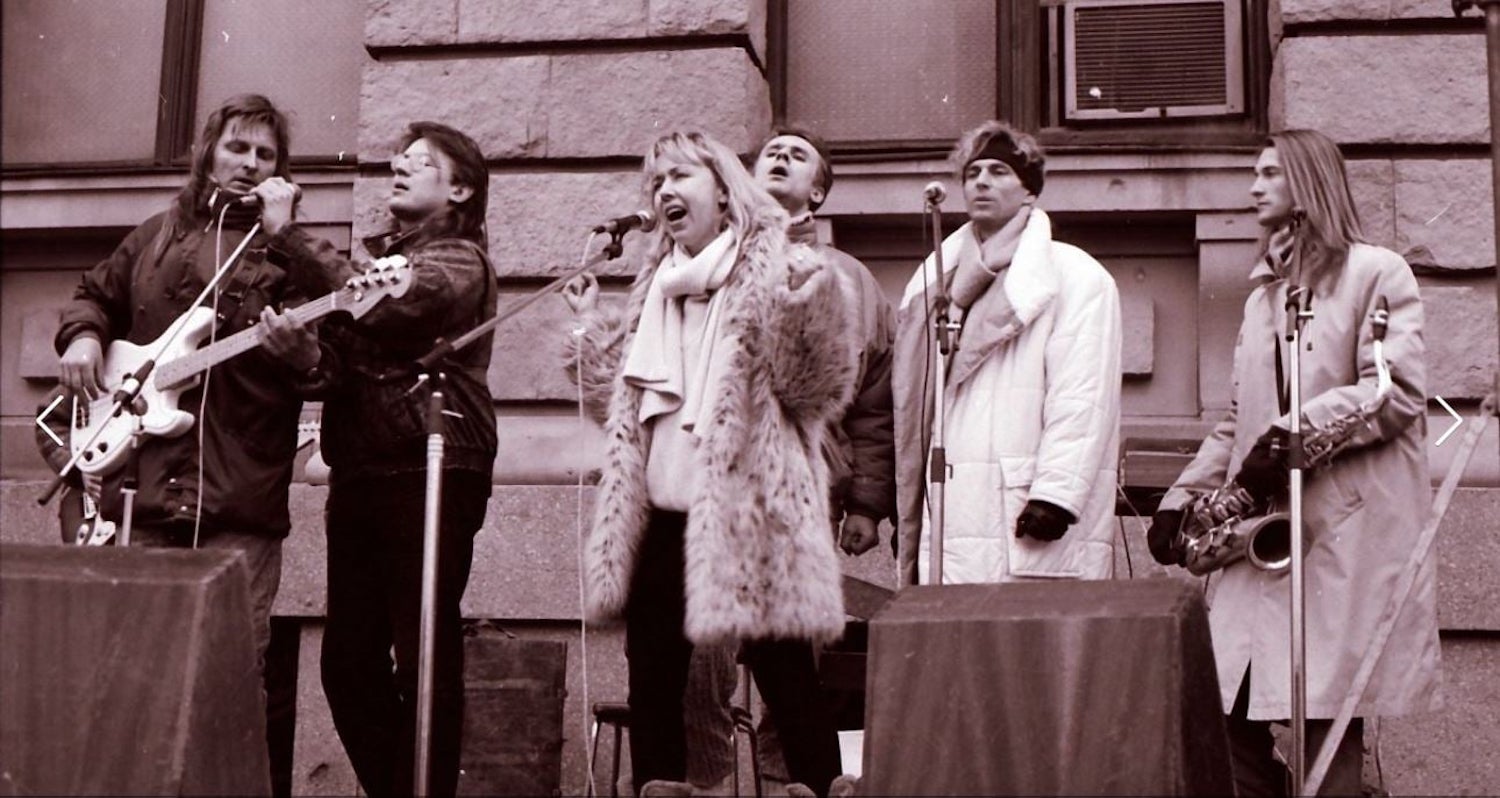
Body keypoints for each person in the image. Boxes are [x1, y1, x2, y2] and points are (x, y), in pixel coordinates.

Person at [562, 128, 857, 798]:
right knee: (655, 676)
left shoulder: (778, 271)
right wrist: (586, 324)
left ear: (724, 193)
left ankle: (823, 787)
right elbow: (619, 405)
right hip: (663, 511)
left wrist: (807, 308)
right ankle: (662, 787)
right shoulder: (656, 289)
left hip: (748, 506)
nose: (664, 191)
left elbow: (814, 393)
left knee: (784, 671)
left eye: (680, 176)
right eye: (657, 181)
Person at [1147, 129, 1442, 796]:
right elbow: (1235, 422)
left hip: (1338, 541)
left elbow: (1394, 390)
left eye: (1270, 173)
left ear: (1306, 183)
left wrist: (1291, 436)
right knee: (1225, 716)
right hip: (1260, 551)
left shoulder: (1377, 272)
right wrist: (1177, 502)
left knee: (1322, 731)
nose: (1254, 187)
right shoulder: (1262, 298)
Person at [256, 121, 499, 797]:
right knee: (347, 663)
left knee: (422, 653)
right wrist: (303, 357)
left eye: (418, 163)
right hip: (361, 468)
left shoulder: (458, 260)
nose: (398, 166)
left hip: (434, 461)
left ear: (459, 189)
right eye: (399, 159)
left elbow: (397, 308)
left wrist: (289, 235)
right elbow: (341, 368)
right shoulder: (375, 263)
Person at [55, 92, 310, 679]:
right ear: (207, 153)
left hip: (235, 500)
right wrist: (84, 339)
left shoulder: (291, 253)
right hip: (142, 493)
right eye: (237, 147)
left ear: (281, 171)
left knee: (227, 680)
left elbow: (332, 364)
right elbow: (93, 295)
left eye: (265, 155)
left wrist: (304, 353)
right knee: (129, 674)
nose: (250, 163)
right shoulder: (157, 234)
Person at [678, 126, 897, 795]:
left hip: (792, 484)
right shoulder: (705, 258)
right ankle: (708, 784)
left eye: (798, 155)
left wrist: (865, 500)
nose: (780, 156)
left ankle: (807, 784)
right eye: (770, 151)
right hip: (697, 481)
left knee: (785, 663)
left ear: (820, 192)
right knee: (696, 664)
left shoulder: (842, 276)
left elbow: (873, 401)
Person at [891, 120, 1122, 586]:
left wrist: (1056, 495)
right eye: (973, 172)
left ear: (1030, 192)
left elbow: (1081, 397)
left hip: (1023, 510)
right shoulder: (934, 282)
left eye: (999, 171)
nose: (981, 181)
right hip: (952, 511)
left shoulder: (1073, 275)